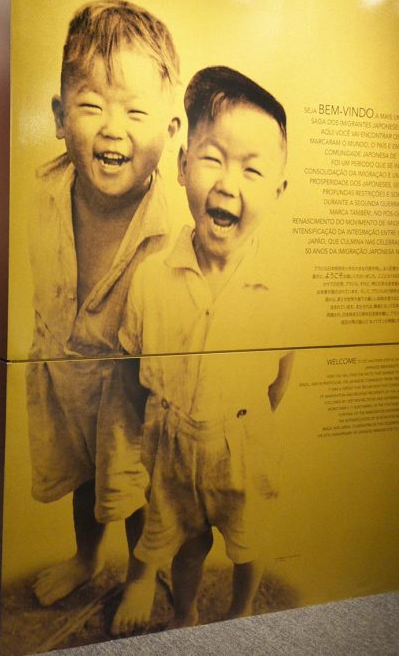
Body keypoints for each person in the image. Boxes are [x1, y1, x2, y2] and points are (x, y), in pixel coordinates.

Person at [115, 65, 294, 631]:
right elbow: (130, 367)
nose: (228, 183)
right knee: (181, 540)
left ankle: (241, 615)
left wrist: (248, 419)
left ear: (278, 189)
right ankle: (185, 610)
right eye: (213, 158)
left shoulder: (280, 290)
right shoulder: (149, 277)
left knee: (249, 540)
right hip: (170, 441)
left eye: (253, 169)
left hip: (243, 439)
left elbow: (281, 376)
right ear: (182, 164)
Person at [25, 0, 181, 629]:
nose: (112, 128)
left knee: (141, 486)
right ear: (61, 118)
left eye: (136, 111)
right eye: (91, 106)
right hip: (65, 372)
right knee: (86, 482)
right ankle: (87, 560)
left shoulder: (174, 231)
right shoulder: (42, 192)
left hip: (135, 386)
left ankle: (142, 577)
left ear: (172, 131)